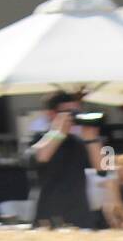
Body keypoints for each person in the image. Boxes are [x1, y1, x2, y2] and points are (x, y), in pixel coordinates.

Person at [29, 91, 103, 229]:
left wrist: (92, 138)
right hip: (49, 217)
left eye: (77, 112)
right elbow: (40, 157)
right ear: (51, 114)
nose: (74, 117)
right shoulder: (37, 138)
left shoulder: (78, 143)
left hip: (80, 216)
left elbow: (103, 170)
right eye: (69, 112)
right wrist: (59, 132)